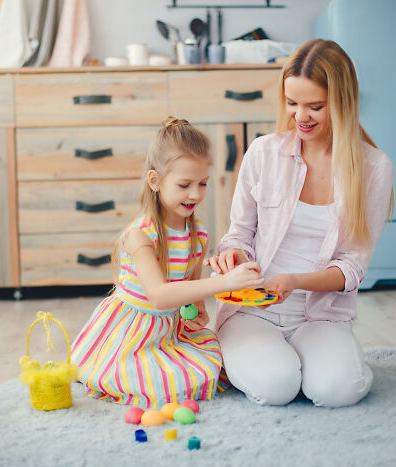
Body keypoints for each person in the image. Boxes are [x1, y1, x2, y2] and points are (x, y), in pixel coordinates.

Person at [205, 39, 394, 408]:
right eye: (292, 103)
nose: (300, 116)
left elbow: (352, 268)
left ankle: (320, 359)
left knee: (336, 390)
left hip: (319, 315)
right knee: (277, 387)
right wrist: (234, 259)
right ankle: (251, 355)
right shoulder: (263, 153)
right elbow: (237, 236)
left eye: (315, 106)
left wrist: (296, 282)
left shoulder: (374, 168)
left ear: (342, 102)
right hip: (252, 310)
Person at [70, 116, 263, 409]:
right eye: (184, 184)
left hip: (168, 331)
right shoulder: (140, 235)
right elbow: (159, 296)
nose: (195, 194)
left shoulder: (197, 236)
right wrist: (224, 282)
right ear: (155, 181)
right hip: (131, 334)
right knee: (162, 381)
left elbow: (190, 295)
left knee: (211, 360)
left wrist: (196, 313)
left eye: (203, 183)